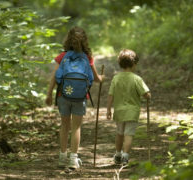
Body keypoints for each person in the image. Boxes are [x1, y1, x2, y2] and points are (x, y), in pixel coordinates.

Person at [45, 26, 103, 169]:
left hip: (62, 95)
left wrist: (49, 94)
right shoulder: (88, 58)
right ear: (85, 41)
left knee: (64, 126)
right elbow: (96, 79)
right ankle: (73, 159)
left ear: (68, 39)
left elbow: (54, 77)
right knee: (76, 127)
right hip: (80, 97)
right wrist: (102, 77)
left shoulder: (63, 56)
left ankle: (62, 157)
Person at [107, 49, 151, 165]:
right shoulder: (136, 79)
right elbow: (146, 94)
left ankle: (117, 154)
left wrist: (108, 109)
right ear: (134, 63)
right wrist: (148, 96)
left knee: (119, 133)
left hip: (119, 111)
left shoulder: (116, 78)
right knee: (129, 134)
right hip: (132, 112)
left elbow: (110, 94)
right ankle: (125, 156)